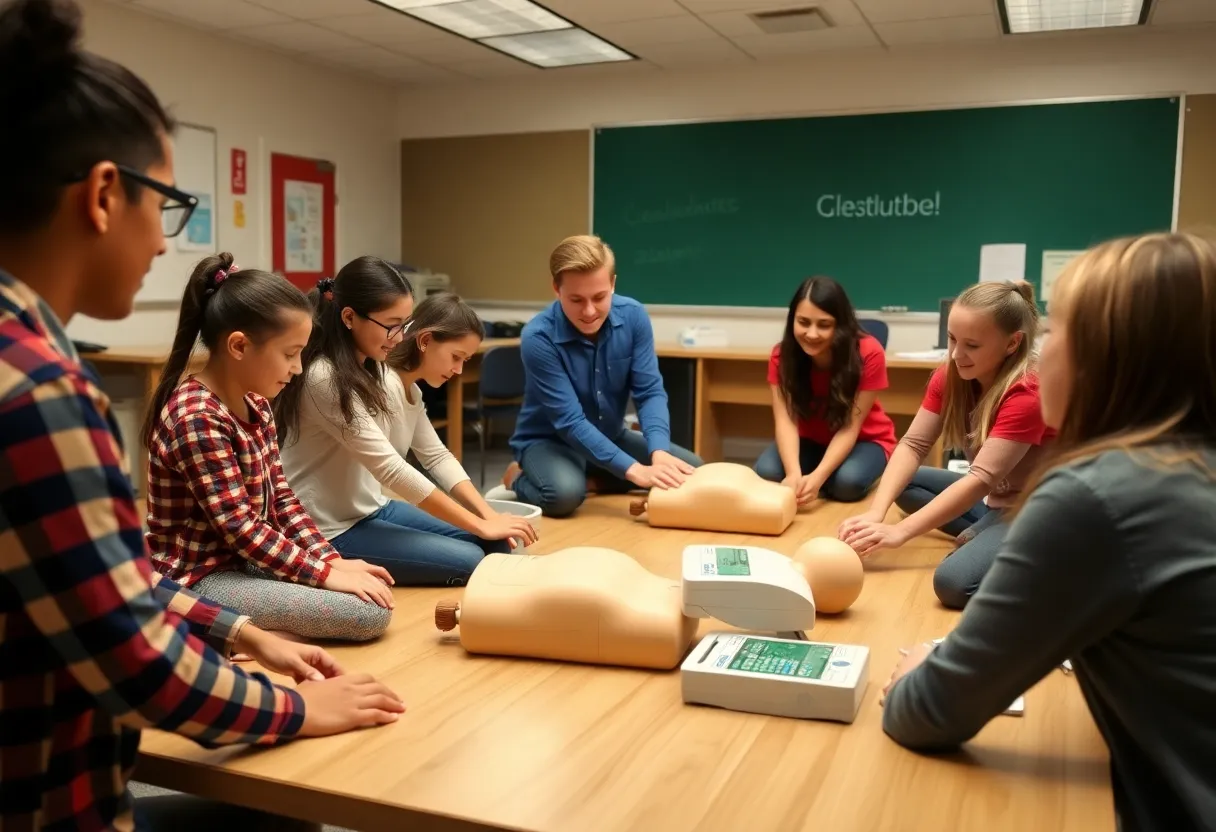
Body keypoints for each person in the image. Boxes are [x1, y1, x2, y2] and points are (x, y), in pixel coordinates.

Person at [0, 2, 403, 829]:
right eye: (167, 204)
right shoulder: (40, 390)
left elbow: (109, 584)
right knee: (296, 810)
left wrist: (240, 631)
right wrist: (294, 710)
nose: (162, 242)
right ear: (106, 194)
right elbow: (138, 664)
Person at [881, 231, 1216, 831]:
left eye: (1058, 332)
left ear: (1110, 361)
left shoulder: (1098, 495)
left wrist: (920, 674)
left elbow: (926, 712)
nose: (1042, 351)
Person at [143, 253, 395, 642]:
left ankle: (246, 632)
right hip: (200, 579)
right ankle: (219, 631)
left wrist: (330, 560)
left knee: (366, 590)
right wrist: (324, 575)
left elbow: (281, 499)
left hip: (245, 564)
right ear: (239, 346)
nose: (297, 369)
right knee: (364, 614)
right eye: (290, 354)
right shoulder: (196, 416)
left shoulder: (256, 402)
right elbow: (241, 528)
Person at [273, 260, 534, 586]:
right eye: (392, 325)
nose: (399, 337)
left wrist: (488, 518)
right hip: (329, 528)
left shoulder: (374, 368)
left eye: (403, 324)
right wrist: (479, 523)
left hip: (371, 508)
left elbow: (435, 456)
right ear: (350, 317)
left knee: (495, 543)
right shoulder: (325, 377)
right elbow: (392, 469)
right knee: (470, 560)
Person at [838, 280, 1051, 609]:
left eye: (972, 345)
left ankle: (1052, 560)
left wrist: (902, 532)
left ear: (1012, 344)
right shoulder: (952, 374)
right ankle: (990, 531)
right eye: (952, 339)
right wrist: (876, 514)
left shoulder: (1027, 390)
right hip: (1001, 499)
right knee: (904, 482)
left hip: (1041, 510)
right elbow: (912, 444)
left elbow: (981, 478)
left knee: (953, 584)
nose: (955, 354)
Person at [489, 235, 703, 517]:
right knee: (563, 496)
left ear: (612, 284)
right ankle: (517, 476)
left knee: (694, 473)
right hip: (550, 441)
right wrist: (635, 470)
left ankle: (592, 478)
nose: (589, 312)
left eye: (599, 297)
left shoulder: (634, 316)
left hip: (611, 435)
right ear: (557, 288)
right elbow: (570, 421)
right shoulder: (538, 337)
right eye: (576, 299)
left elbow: (649, 392)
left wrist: (659, 452)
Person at [754, 276, 896, 505]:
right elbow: (786, 421)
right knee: (768, 472)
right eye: (803, 322)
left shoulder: (869, 353)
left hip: (865, 440)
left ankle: (838, 475)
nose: (811, 334)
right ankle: (818, 475)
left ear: (840, 324)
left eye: (824, 324)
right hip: (810, 440)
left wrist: (818, 477)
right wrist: (793, 474)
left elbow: (850, 427)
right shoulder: (781, 356)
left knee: (847, 485)